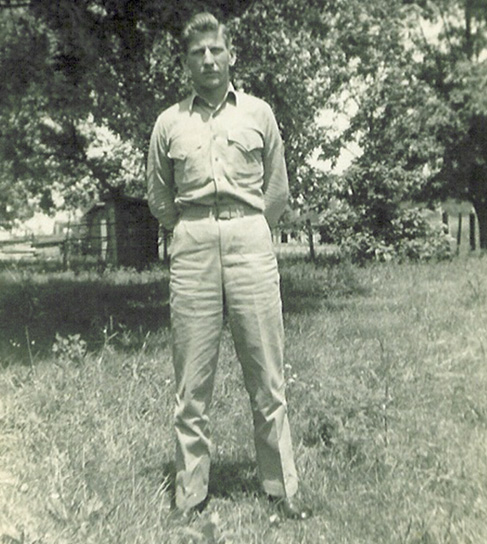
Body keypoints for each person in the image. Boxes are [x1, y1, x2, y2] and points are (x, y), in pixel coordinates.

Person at [147, 12, 311, 521]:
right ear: (185, 63)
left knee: (267, 376)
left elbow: (277, 191)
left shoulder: (259, 114)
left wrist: (247, 226)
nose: (208, 59)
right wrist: (194, 228)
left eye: (215, 49)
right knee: (191, 383)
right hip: (193, 243)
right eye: (197, 53)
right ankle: (190, 495)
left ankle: (281, 489)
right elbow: (159, 196)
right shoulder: (169, 123)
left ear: (231, 55)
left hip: (250, 240)